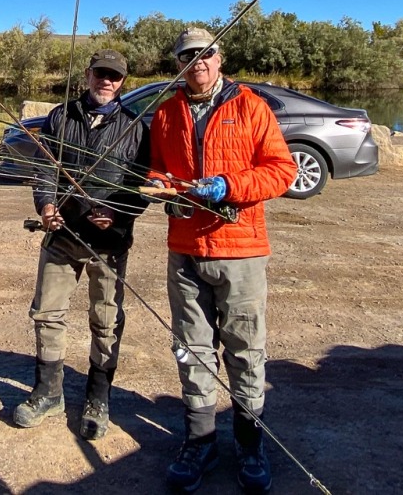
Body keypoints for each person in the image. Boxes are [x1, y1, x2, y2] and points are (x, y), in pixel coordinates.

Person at [149, 27, 298, 495]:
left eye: (205, 53)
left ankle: (250, 444)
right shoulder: (167, 112)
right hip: (185, 249)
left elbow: (282, 170)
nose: (198, 62)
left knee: (244, 349)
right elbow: (158, 168)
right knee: (191, 349)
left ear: (220, 57)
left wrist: (230, 187)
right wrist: (162, 188)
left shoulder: (251, 106)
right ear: (178, 63)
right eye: (188, 56)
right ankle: (201, 439)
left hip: (241, 250)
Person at [12, 49, 150, 440]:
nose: (107, 82)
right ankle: (48, 392)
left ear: (123, 82)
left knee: (105, 321)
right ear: (88, 75)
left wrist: (119, 216)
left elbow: (142, 188)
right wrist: (46, 205)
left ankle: (98, 396)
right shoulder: (61, 115)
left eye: (115, 77)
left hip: (109, 242)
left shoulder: (137, 127)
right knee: (47, 314)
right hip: (62, 236)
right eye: (101, 74)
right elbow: (45, 167)